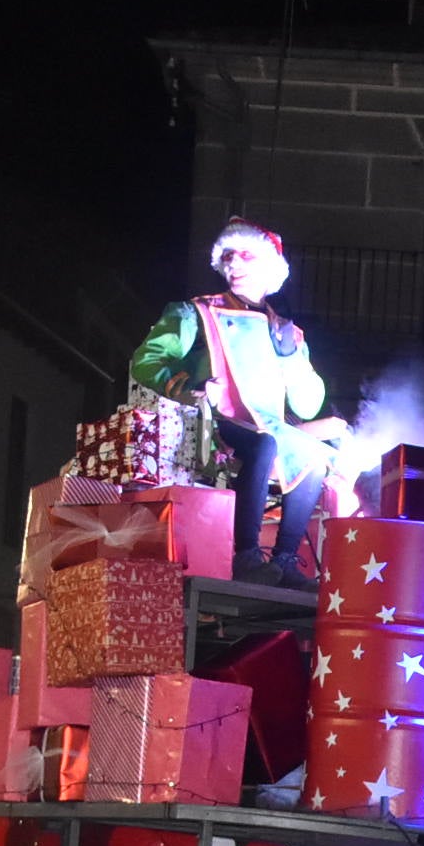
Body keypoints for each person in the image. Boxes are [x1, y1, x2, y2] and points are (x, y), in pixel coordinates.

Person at [130, 218, 351, 588]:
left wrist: (289, 355)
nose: (234, 265)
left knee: (313, 455)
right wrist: (192, 387)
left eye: (246, 256)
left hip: (269, 426)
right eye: (228, 257)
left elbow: (310, 406)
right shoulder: (197, 312)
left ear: (270, 269)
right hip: (211, 422)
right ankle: (246, 554)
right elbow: (147, 360)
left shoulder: (288, 332)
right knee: (263, 445)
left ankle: (283, 562)